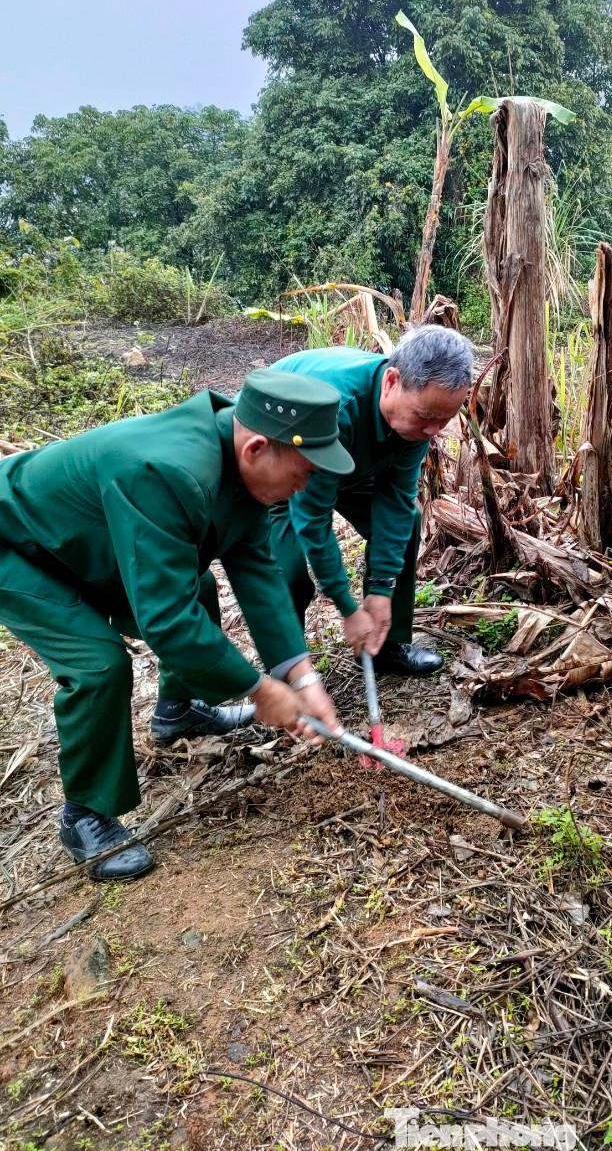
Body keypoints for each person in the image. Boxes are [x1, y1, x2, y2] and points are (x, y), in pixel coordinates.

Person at [0, 369, 354, 880]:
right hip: (18, 547)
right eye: (302, 474)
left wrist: (301, 675)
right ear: (257, 448)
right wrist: (257, 689)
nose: (305, 487)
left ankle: (179, 711)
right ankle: (86, 813)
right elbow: (166, 620)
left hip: (80, 543)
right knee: (97, 663)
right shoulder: (164, 469)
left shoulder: (239, 460)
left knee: (200, 589)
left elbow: (256, 569)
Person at [269, 325, 474, 675]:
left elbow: (395, 499)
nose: (433, 432)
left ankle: (383, 645)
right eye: (426, 417)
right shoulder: (334, 406)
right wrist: (350, 609)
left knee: (406, 519)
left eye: (444, 420)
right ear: (392, 381)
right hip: (282, 466)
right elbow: (313, 519)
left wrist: (382, 589)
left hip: (351, 464)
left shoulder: (419, 417)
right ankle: (288, 671)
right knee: (286, 570)